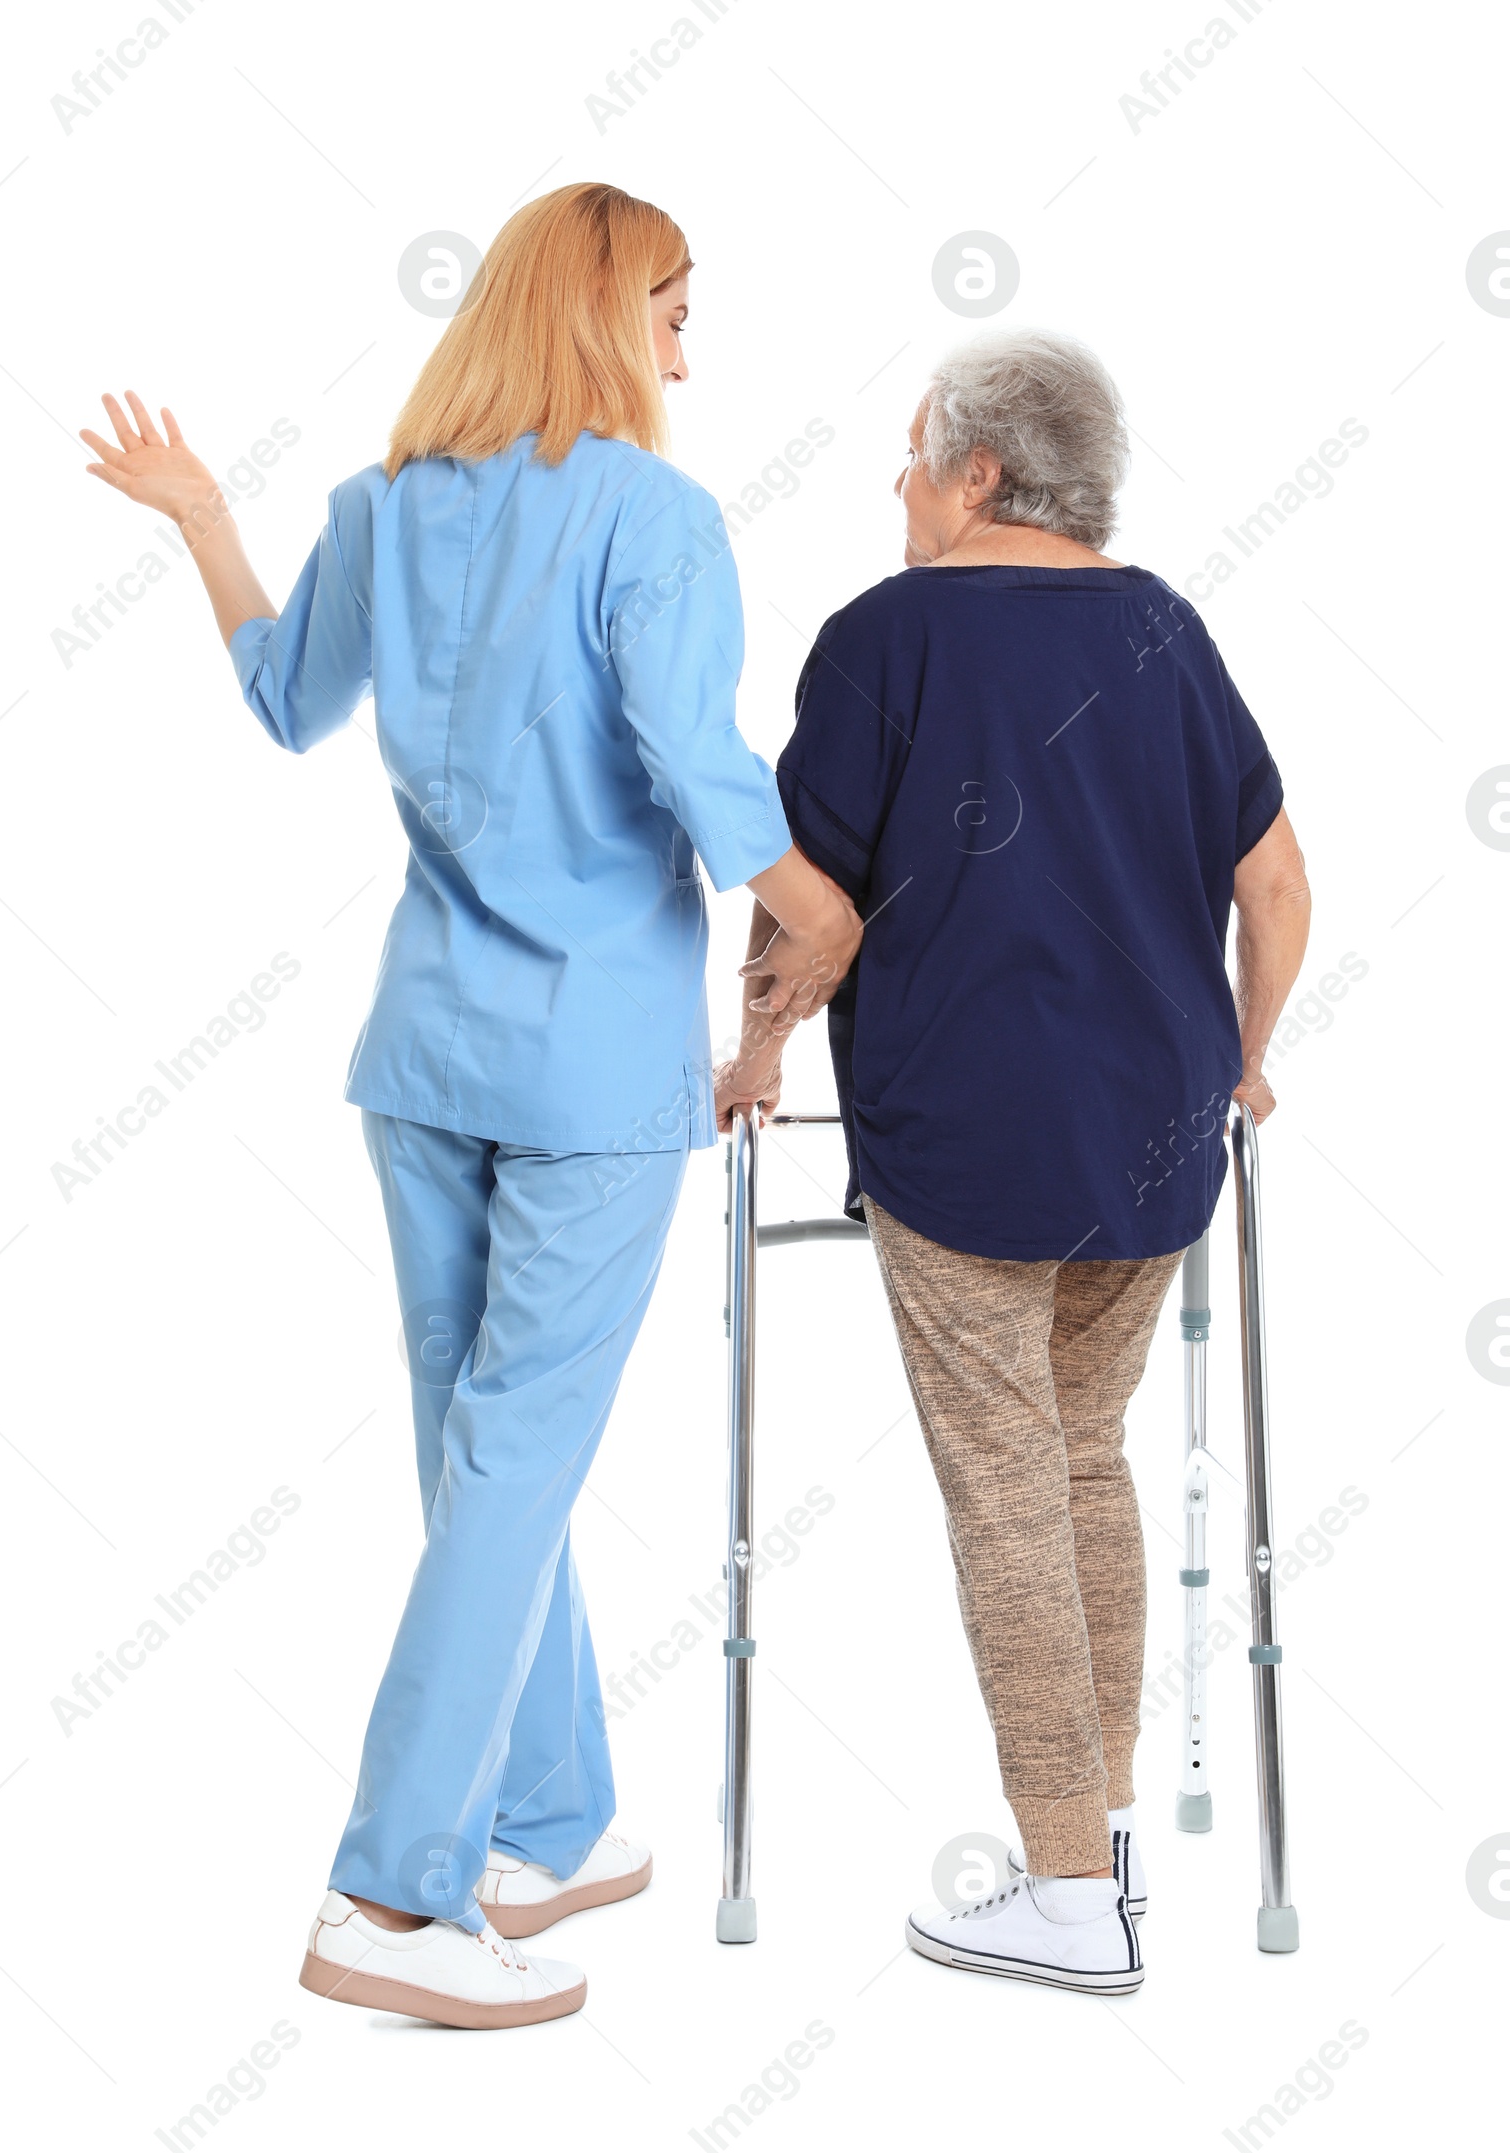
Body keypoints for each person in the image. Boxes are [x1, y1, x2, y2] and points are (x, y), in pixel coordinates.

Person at [80, 182, 861, 2029]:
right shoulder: (654, 519)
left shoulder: (382, 506)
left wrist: (208, 523)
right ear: (603, 312)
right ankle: (388, 1896)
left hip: (423, 1060)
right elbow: (696, 763)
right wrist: (819, 900)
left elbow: (287, 701)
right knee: (509, 1465)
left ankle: (553, 1817)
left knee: (485, 1463)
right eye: (675, 304)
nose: (691, 341)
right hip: (590, 1072)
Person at [717, 329, 1311, 1995]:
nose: (897, 485)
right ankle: (1101, 1850)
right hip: (1160, 1135)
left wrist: (754, 1055)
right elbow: (1277, 890)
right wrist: (1247, 1058)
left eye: (914, 455)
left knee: (1007, 1486)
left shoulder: (885, 635)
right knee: (1079, 1466)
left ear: (980, 474)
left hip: (970, 1133)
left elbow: (800, 897)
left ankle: (1063, 1897)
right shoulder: (1165, 630)